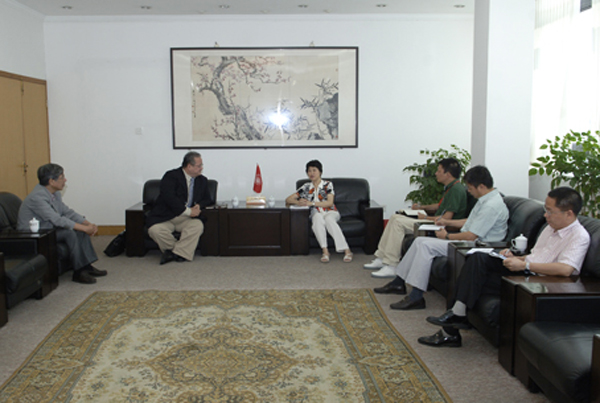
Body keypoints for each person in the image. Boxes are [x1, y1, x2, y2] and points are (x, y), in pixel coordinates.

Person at [419, 187, 590, 347]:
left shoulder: (579, 236)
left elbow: (565, 269)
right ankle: (457, 316)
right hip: (525, 268)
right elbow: (536, 255)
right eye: (546, 210)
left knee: (472, 278)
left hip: (536, 282)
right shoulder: (550, 228)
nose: (546, 215)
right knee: (477, 258)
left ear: (569, 213)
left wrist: (524, 264)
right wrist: (515, 257)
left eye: (550, 211)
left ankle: (453, 325)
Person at [374, 165, 509, 309]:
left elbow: (471, 235)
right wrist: (447, 222)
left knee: (425, 246)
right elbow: (470, 222)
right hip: (467, 242)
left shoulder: (491, 206)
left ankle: (416, 297)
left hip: (474, 247)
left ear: (481, 186)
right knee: (419, 241)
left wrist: (447, 236)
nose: (469, 191)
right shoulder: (485, 200)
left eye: (470, 188)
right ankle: (399, 282)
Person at [368, 158, 468, 278]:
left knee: (398, 222)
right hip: (436, 222)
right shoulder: (450, 187)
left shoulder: (456, 190)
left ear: (448, 174)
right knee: (394, 217)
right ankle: (381, 257)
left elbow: (446, 219)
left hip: (440, 227)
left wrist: (426, 217)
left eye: (439, 171)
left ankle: (391, 265)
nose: (436, 173)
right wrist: (422, 207)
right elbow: (440, 206)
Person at [17, 163, 106, 284]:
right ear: (51, 181)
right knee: (70, 233)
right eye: (62, 177)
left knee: (80, 230)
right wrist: (84, 228)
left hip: (48, 229)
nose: (65, 180)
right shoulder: (37, 197)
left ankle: (86, 266)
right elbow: (56, 219)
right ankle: (79, 272)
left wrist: (88, 224)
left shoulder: (55, 193)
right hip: (35, 234)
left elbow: (67, 212)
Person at [147, 151, 213, 265]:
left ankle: (173, 253)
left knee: (197, 226)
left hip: (186, 219)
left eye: (201, 165)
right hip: (167, 216)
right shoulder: (171, 176)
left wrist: (199, 205)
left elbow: (208, 199)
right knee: (155, 230)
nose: (201, 168)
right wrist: (188, 211)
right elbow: (169, 198)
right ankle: (179, 252)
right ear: (189, 166)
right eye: (199, 166)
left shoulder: (202, 180)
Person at [285, 160, 352, 263]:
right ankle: (325, 251)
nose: (311, 173)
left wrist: (311, 203)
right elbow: (288, 199)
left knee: (329, 220)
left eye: (314, 170)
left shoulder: (327, 184)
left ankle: (347, 250)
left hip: (330, 211)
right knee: (317, 219)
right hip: (316, 212)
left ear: (320, 172)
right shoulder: (306, 187)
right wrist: (299, 202)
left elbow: (329, 202)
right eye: (309, 171)